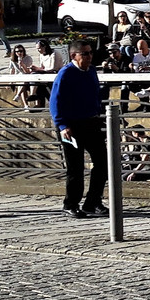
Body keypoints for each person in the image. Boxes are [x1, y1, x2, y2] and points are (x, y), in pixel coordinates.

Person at [49, 39, 109, 218]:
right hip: (71, 126)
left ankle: (93, 201)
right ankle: (71, 203)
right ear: (74, 55)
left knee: (102, 163)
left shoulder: (91, 70)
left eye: (91, 53)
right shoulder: (66, 73)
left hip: (91, 122)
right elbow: (55, 102)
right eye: (85, 53)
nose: (90, 57)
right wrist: (62, 125)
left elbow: (94, 94)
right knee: (75, 167)